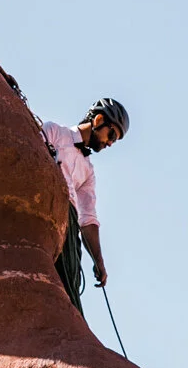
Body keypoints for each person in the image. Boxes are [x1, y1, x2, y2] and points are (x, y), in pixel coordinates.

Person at [40, 99, 129, 309]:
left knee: (69, 289)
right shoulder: (54, 132)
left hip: (68, 230)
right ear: (98, 120)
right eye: (112, 135)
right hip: (46, 206)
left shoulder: (88, 171)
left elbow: (87, 217)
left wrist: (98, 260)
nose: (110, 144)